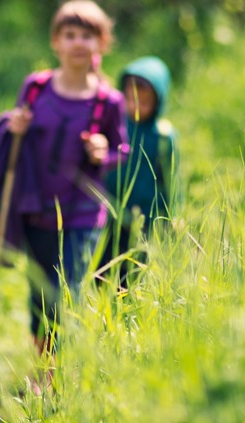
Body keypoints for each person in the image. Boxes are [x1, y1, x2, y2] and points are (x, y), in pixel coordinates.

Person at [0, 0, 128, 394]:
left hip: (82, 213)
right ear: (56, 41)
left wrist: (104, 151)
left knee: (67, 291)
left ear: (101, 43)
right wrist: (15, 126)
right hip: (35, 207)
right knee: (39, 293)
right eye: (70, 35)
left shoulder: (108, 101)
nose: (78, 42)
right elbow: (15, 134)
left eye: (87, 35)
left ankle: (54, 375)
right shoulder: (37, 86)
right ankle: (42, 365)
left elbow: (122, 150)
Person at [100, 56, 178, 288]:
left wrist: (171, 215)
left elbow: (171, 180)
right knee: (100, 270)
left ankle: (125, 315)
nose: (136, 107)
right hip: (108, 211)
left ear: (158, 102)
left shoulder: (163, 136)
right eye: (131, 100)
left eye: (145, 102)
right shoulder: (114, 125)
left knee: (132, 275)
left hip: (143, 219)